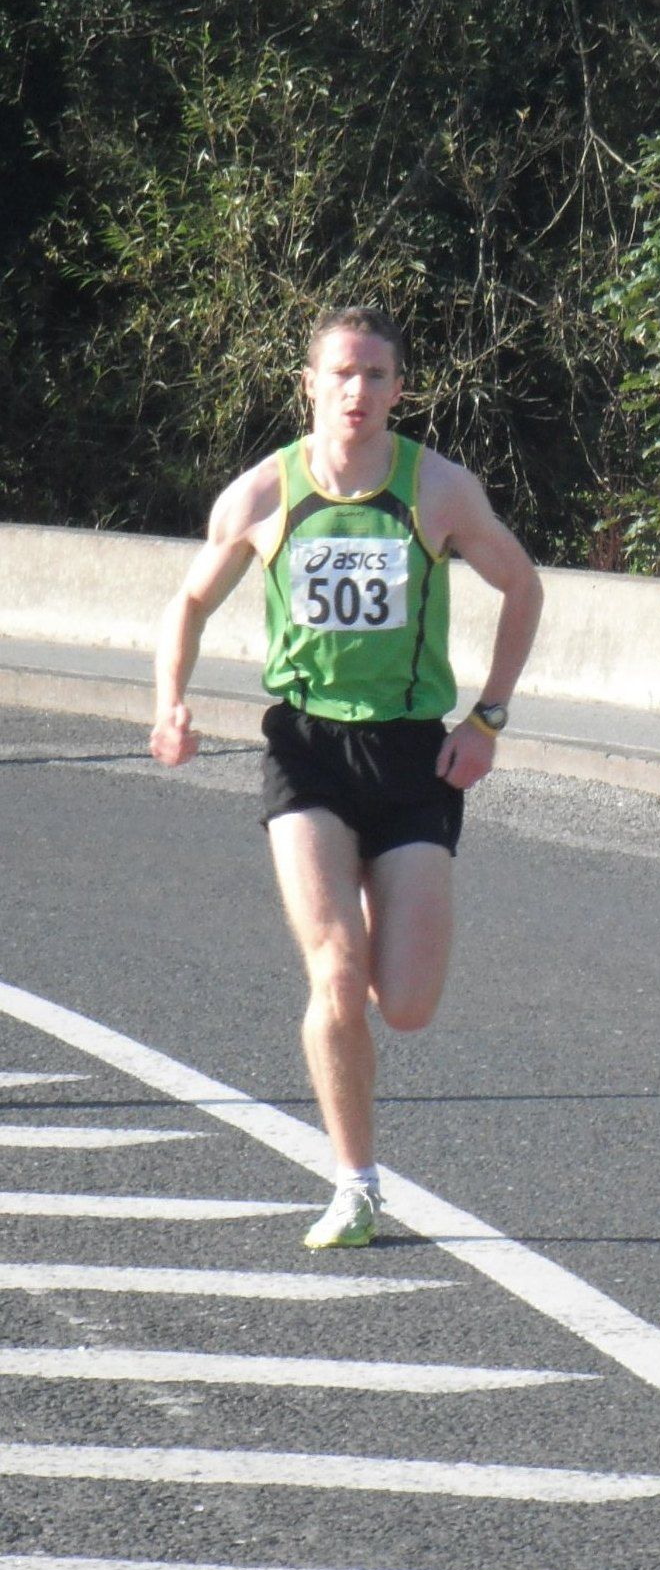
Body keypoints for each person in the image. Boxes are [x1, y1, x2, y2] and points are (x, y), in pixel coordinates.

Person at [151, 306, 544, 1249]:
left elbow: (523, 586)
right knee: (334, 972)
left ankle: (373, 920)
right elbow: (190, 600)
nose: (356, 391)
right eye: (340, 373)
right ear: (310, 385)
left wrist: (487, 717)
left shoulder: (438, 489)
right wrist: (170, 702)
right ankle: (355, 1184)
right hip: (307, 750)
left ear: (399, 388)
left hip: (411, 755)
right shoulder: (263, 493)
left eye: (374, 374)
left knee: (403, 1005)